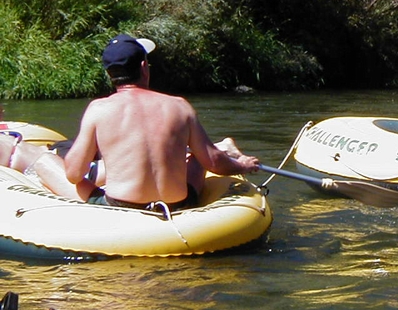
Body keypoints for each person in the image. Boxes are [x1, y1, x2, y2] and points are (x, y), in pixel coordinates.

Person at [37, 34, 260, 210]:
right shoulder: (180, 106)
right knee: (197, 159)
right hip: (178, 205)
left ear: (109, 74)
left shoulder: (98, 109)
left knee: (45, 161)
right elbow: (213, 162)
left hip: (120, 207)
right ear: (144, 67)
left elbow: (74, 174)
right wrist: (243, 166)